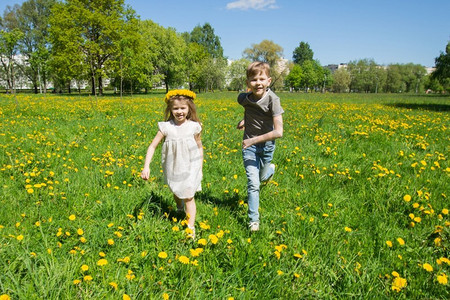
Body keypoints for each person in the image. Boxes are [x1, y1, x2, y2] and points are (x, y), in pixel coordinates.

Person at [141, 89, 203, 239]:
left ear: (189, 109)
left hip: (191, 166)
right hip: (173, 166)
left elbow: (199, 146)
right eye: (176, 108)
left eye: (183, 108)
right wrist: (146, 166)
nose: (179, 111)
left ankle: (190, 228)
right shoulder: (166, 127)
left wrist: (199, 165)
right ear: (170, 109)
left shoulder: (194, 126)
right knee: (176, 192)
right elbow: (152, 146)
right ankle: (179, 207)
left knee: (189, 196)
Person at [236, 62, 284, 232]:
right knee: (253, 183)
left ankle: (269, 170)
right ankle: (253, 221)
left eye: (262, 78)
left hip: (266, 146)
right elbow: (249, 110)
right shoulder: (244, 98)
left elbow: (279, 132)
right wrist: (244, 121)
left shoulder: (273, 100)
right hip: (248, 148)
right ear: (248, 83)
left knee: (262, 177)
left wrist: (253, 140)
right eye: (253, 79)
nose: (258, 82)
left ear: (269, 81)